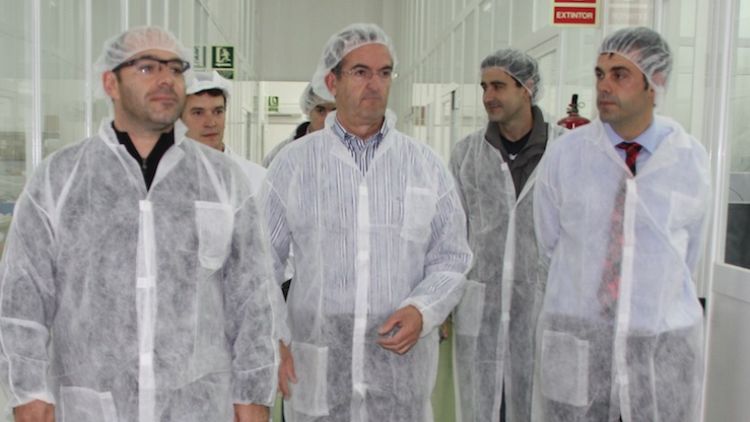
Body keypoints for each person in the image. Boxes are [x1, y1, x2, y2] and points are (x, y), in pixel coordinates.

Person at [0, 26, 278, 422]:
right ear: (110, 82)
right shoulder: (59, 180)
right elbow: (22, 299)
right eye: (147, 67)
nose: (166, 79)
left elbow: (254, 300)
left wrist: (253, 394)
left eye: (176, 68)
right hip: (92, 406)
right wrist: (28, 392)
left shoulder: (222, 180)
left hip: (197, 406)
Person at [263, 23, 472, 421]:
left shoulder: (424, 165)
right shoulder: (293, 164)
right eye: (360, 72)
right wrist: (275, 337)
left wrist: (422, 309)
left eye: (384, 72)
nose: (374, 84)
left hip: (398, 371)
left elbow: (452, 256)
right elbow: (260, 262)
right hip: (319, 362)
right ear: (332, 81)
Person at [532, 27, 710, 422]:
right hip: (579, 335)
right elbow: (548, 242)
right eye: (599, 74)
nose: (604, 87)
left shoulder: (688, 159)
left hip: (659, 345)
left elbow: (689, 251)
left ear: (656, 82)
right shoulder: (566, 156)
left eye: (619, 74)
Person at [450, 48, 562, 422]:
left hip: (543, 310)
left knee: (541, 406)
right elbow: (452, 236)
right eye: (483, 87)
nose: (487, 97)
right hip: (481, 312)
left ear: (527, 87)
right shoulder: (467, 155)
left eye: (498, 85)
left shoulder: (565, 152)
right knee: (484, 407)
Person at [182, 70, 266, 195]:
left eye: (218, 112)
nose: (211, 123)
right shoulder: (161, 176)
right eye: (198, 113)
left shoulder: (256, 179)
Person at [262, 83, 336, 167]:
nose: (328, 118)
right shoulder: (282, 153)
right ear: (308, 110)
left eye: (335, 110)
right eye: (320, 110)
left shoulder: (350, 152)